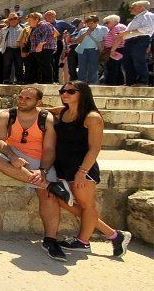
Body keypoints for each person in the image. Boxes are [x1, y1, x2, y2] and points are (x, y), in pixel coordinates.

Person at [48, 81, 132, 257]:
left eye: (71, 91)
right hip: (63, 166)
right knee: (65, 201)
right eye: (63, 90)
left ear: (83, 94)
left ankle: (83, 242)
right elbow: (46, 111)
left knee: (87, 206)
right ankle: (114, 235)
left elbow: (95, 148)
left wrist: (82, 172)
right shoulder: (63, 111)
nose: (65, 93)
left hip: (81, 169)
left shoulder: (92, 117)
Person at [0, 86, 68, 261]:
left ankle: (50, 240)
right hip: (13, 153)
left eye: (27, 99)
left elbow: (49, 149)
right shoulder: (6, 116)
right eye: (20, 97)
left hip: (40, 158)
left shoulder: (46, 119)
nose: (22, 101)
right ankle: (50, 185)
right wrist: (12, 156)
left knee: (48, 197)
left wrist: (43, 170)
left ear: (38, 102)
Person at [118, 0, 154, 86]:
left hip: (140, 39)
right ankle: (130, 81)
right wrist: (124, 35)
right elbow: (128, 33)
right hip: (130, 41)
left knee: (138, 59)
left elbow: (148, 28)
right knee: (128, 60)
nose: (130, 9)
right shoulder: (136, 18)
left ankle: (142, 81)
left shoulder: (148, 15)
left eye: (132, 7)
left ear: (141, 7)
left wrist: (128, 33)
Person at [72, 15, 108, 84]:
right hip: (82, 50)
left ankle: (93, 83)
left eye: (91, 23)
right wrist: (85, 34)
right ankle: (81, 84)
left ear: (96, 22)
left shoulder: (103, 29)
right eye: (87, 23)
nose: (89, 25)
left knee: (93, 67)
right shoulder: (83, 30)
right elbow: (77, 41)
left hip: (95, 50)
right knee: (82, 68)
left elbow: (106, 39)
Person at [44, 10, 75, 83]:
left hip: (57, 43)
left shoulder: (61, 23)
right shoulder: (43, 24)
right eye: (47, 15)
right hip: (45, 44)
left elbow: (72, 28)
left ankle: (55, 79)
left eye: (50, 15)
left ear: (54, 16)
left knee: (55, 61)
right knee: (47, 62)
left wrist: (67, 34)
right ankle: (47, 78)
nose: (49, 16)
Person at [28, 12, 57, 83]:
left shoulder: (43, 24)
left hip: (44, 48)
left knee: (45, 64)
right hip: (40, 49)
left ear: (37, 19)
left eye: (30, 21)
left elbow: (47, 35)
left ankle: (48, 81)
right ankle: (44, 80)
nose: (29, 23)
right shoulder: (37, 27)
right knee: (42, 65)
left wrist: (40, 45)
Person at [0, 12, 24, 83]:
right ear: (8, 20)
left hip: (19, 49)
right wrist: (3, 45)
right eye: (11, 19)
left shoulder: (23, 28)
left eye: (15, 18)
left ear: (18, 19)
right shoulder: (4, 29)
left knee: (19, 64)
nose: (13, 20)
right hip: (8, 49)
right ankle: (6, 79)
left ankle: (20, 80)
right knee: (7, 65)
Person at [102, 14, 127, 85]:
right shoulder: (119, 27)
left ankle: (110, 83)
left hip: (116, 49)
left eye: (107, 22)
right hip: (117, 49)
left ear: (114, 21)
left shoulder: (117, 27)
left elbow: (119, 39)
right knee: (117, 68)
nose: (106, 25)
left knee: (112, 67)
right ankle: (119, 82)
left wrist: (112, 50)